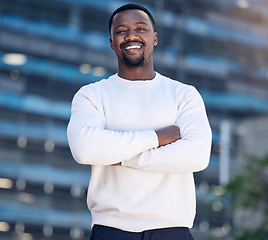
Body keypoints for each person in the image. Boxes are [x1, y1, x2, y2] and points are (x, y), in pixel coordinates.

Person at [67, 3, 212, 240]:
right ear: (112, 42)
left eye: (140, 28)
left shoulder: (183, 94)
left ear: (154, 38)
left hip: (172, 230)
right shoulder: (91, 95)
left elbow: (197, 155)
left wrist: (118, 155)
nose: (131, 35)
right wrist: (157, 138)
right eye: (121, 30)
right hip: (111, 230)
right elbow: (85, 150)